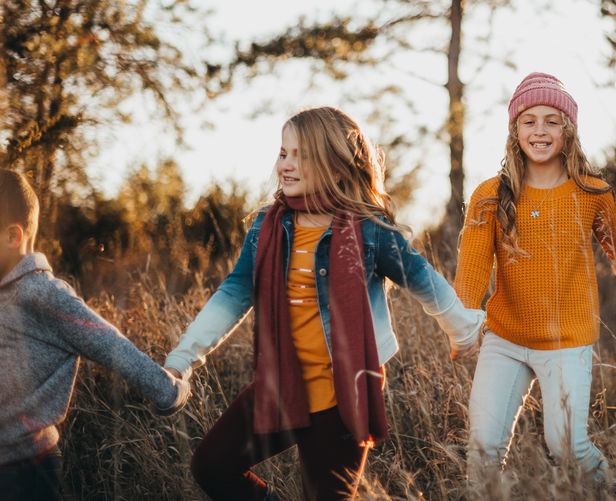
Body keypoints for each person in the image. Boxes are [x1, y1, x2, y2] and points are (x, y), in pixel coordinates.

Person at [163, 107, 485, 501]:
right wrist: (183, 358)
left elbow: (423, 280)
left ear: (336, 169)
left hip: (342, 399)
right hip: (282, 386)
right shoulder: (268, 226)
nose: (287, 164)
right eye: (284, 153)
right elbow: (233, 294)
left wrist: (462, 327)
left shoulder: (369, 229)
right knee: (211, 466)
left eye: (302, 155)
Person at [455, 72, 616, 484]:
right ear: (515, 130)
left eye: (551, 120)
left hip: (567, 341)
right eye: (529, 120)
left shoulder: (592, 193)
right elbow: (472, 269)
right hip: (505, 339)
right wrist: (463, 324)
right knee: (483, 449)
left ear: (568, 130)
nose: (539, 130)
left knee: (567, 447)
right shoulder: (489, 194)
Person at [0, 169, 190, 501]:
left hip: (23, 470)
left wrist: (168, 390)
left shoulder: (45, 295)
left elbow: (110, 343)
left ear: (13, 236)